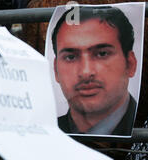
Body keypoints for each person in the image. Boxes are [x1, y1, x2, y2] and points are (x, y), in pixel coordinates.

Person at [52, 6, 139, 136]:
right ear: (55, 70)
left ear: (130, 64)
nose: (86, 72)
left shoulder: (142, 125)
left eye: (102, 54)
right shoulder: (49, 130)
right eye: (71, 57)